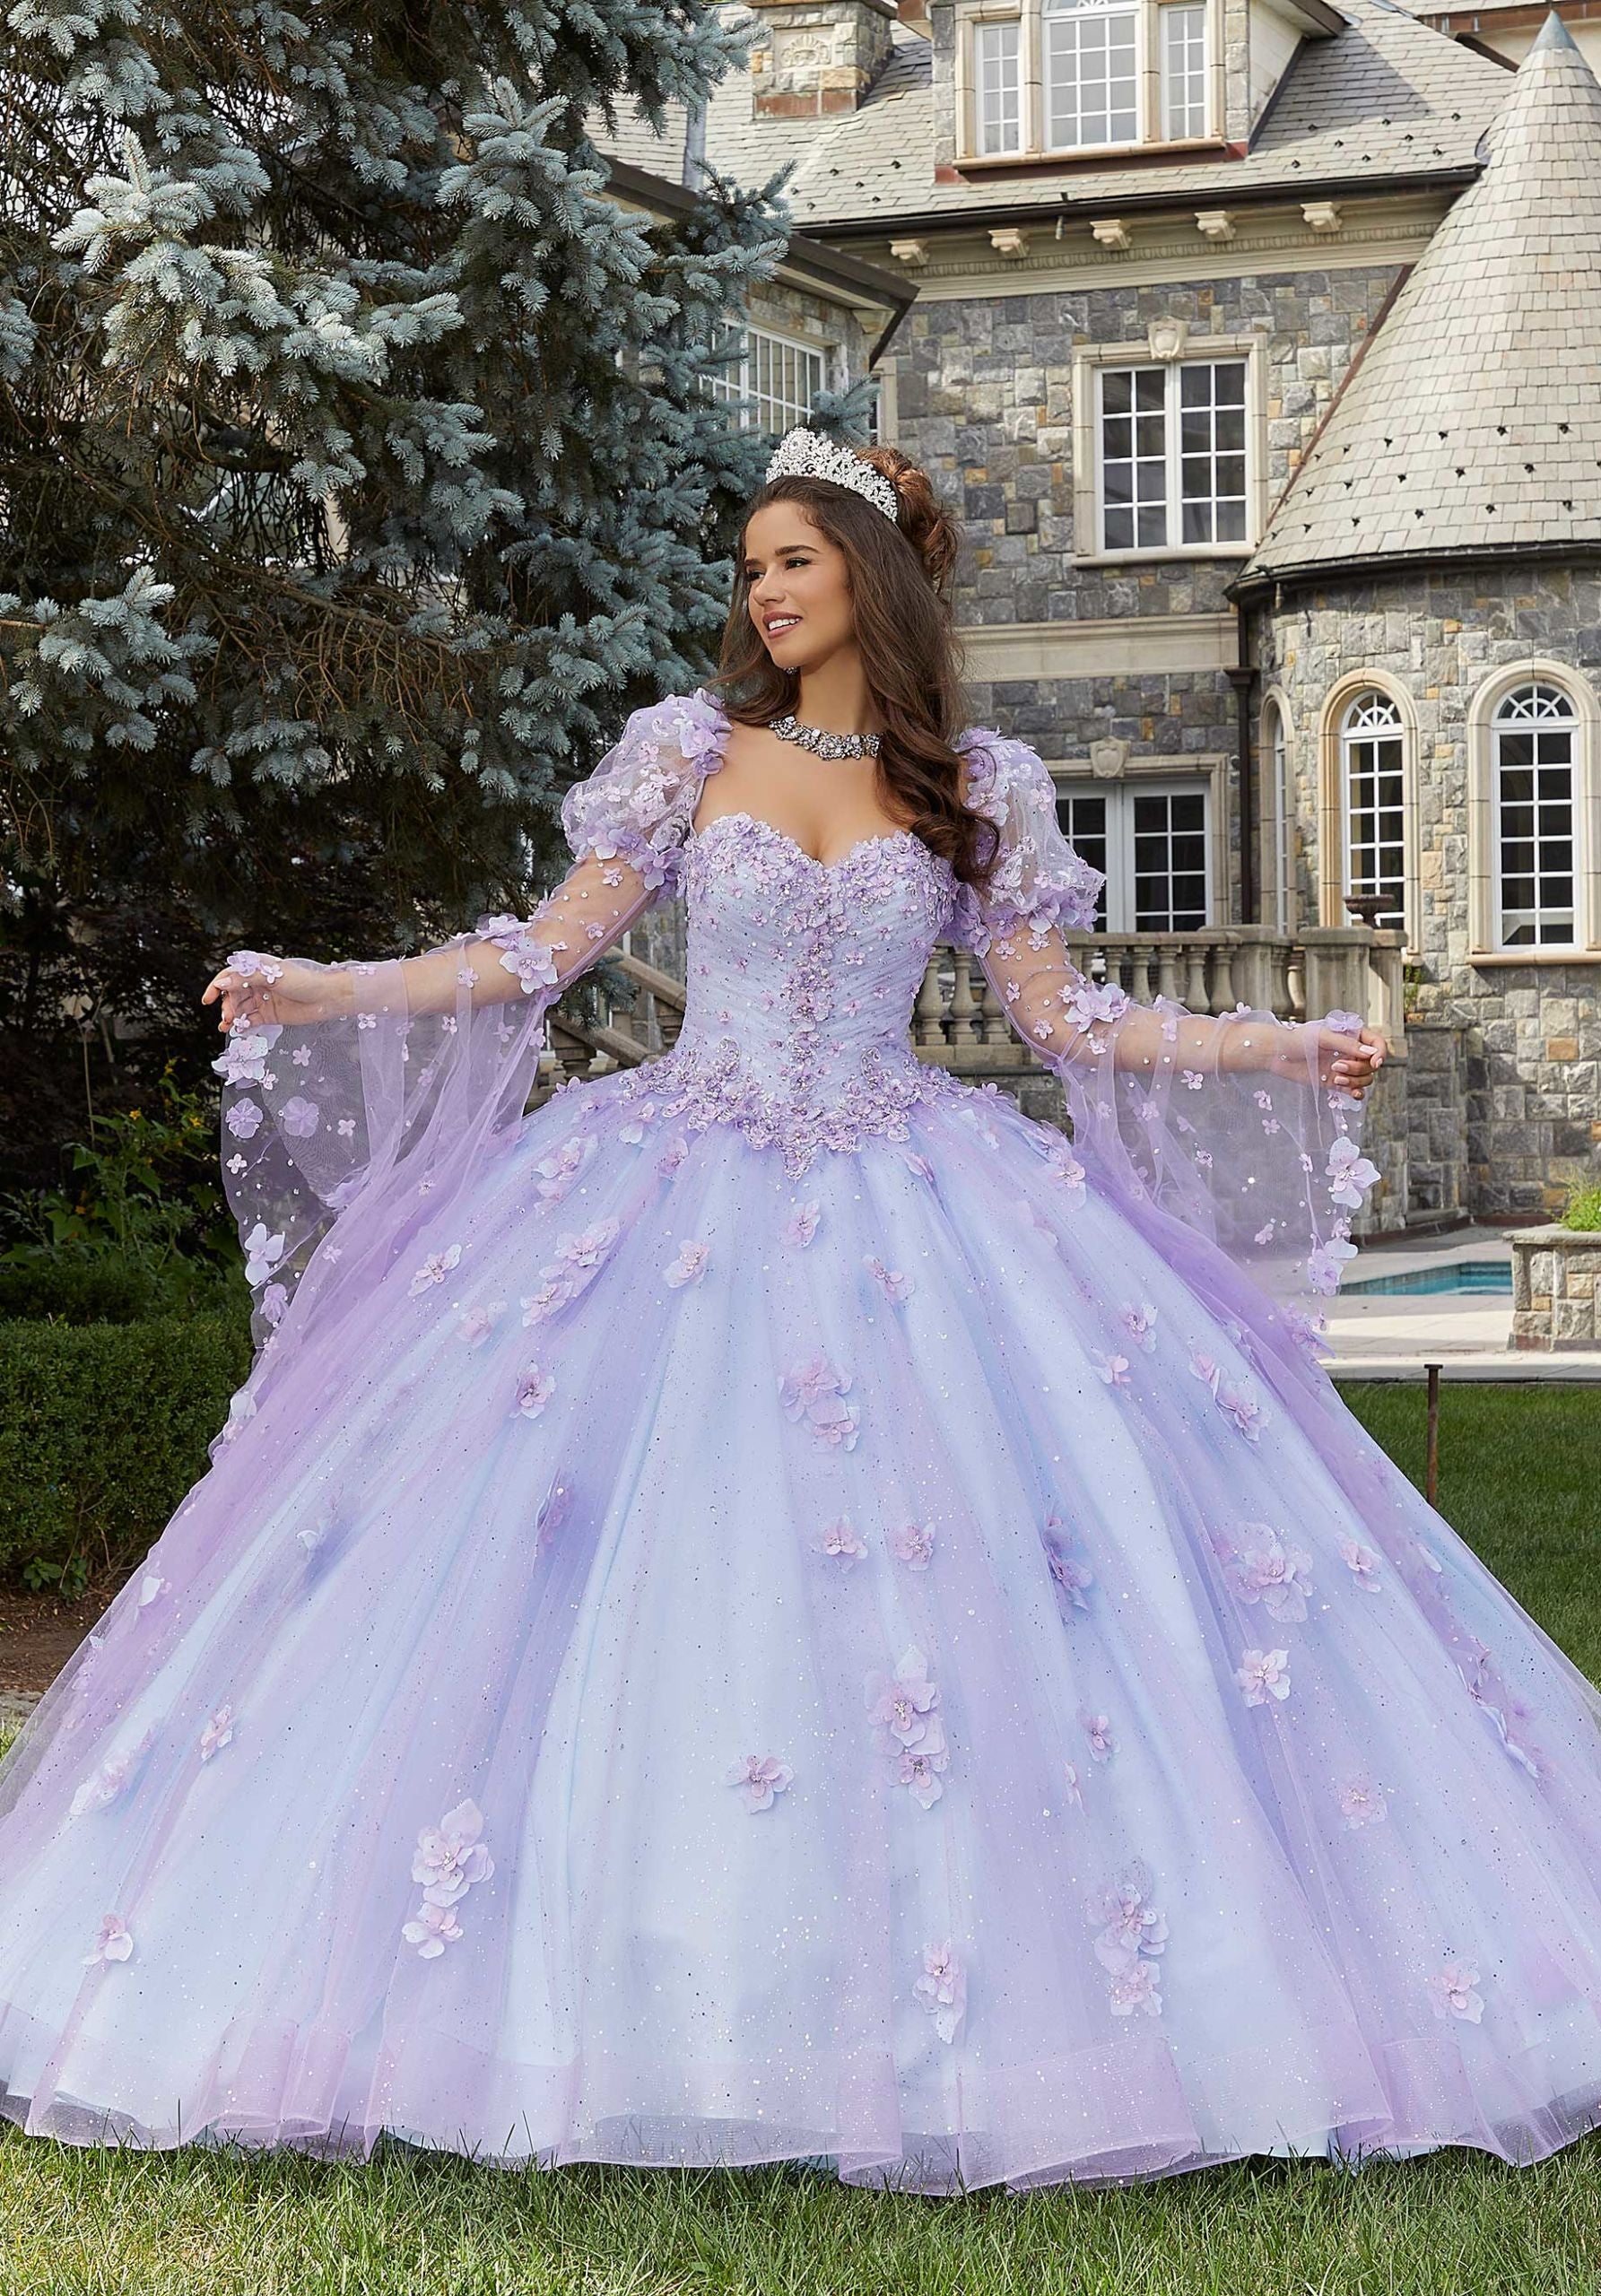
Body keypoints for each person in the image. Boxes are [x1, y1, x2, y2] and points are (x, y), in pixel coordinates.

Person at [1, 429, 1598, 2201]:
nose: (761, 592)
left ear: (868, 573)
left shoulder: (970, 782)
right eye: (751, 566)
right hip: (668, 1191)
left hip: (918, 1196)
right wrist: (329, 982)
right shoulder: (687, 753)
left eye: (792, 561)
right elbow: (541, 951)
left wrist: (1270, 1041)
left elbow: (1065, 1018)